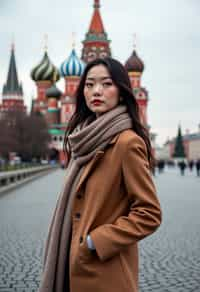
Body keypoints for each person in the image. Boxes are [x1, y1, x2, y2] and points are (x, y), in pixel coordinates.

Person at [38, 57, 162, 292]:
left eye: (106, 84)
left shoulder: (127, 142)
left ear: (122, 91)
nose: (96, 91)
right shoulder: (83, 140)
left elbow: (150, 213)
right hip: (73, 265)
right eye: (89, 84)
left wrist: (95, 242)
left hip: (104, 273)